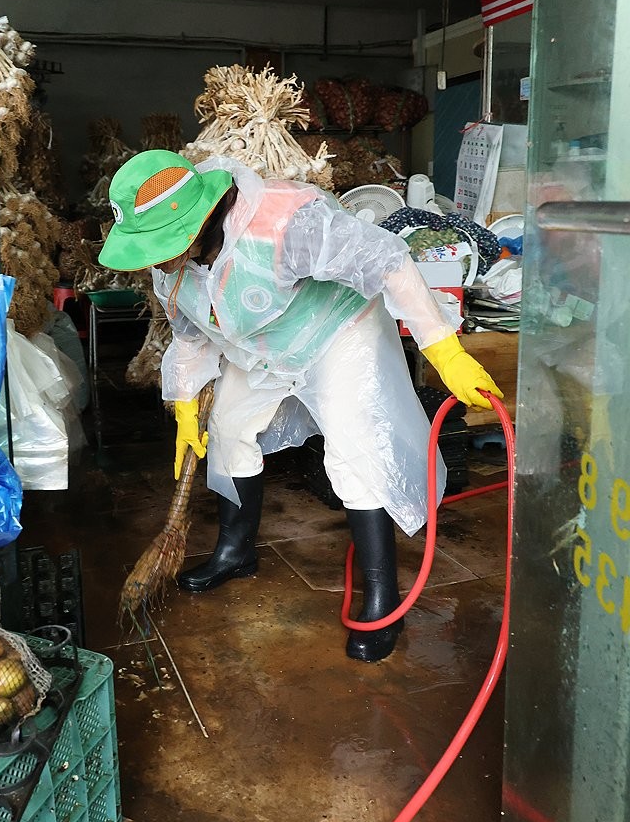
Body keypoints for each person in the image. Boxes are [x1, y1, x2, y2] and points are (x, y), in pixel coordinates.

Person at [99, 149, 502, 663]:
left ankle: (381, 595)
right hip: (263, 343)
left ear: (199, 217)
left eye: (161, 244)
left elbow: (389, 261)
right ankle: (236, 550)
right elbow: (191, 334)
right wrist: (182, 403)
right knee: (227, 427)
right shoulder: (173, 266)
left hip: (338, 329)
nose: (156, 258)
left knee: (353, 448)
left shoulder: (286, 222)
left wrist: (445, 350)